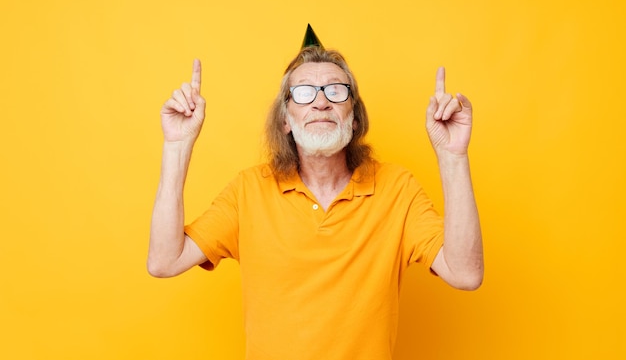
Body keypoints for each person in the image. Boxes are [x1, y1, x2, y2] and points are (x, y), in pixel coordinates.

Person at [147, 26, 483, 360]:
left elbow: (465, 273)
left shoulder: (397, 189)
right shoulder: (248, 191)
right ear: (285, 121)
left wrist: (452, 156)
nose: (321, 102)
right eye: (305, 92)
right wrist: (177, 146)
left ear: (354, 118)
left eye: (336, 91)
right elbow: (165, 261)